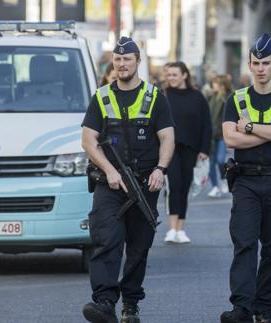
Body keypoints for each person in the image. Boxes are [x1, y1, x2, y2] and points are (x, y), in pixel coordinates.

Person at [81, 36, 175, 323]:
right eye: (118, 59)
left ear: (137, 62)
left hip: (145, 183)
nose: (122, 64)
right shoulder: (102, 97)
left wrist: (161, 169)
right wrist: (109, 170)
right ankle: (105, 302)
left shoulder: (155, 96)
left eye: (127, 59)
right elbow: (88, 141)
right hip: (109, 183)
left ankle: (130, 304)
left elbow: (167, 137)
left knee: (138, 246)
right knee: (106, 240)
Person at [220, 33, 271, 323]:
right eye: (255, 63)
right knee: (244, 243)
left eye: (266, 63)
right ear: (249, 65)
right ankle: (241, 308)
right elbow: (231, 139)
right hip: (245, 182)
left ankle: (264, 309)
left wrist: (251, 128)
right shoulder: (236, 98)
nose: (260, 68)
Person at [163, 61, 212, 244]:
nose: (171, 78)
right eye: (168, 75)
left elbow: (207, 125)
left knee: (184, 187)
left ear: (184, 75)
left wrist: (204, 150)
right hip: (169, 149)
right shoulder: (163, 96)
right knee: (173, 185)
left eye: (175, 74)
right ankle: (171, 228)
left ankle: (181, 229)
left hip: (191, 148)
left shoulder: (197, 97)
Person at [208, 74, 232, 198]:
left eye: (216, 83)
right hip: (211, 135)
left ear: (221, 85)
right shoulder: (212, 97)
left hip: (222, 134)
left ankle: (224, 179)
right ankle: (215, 187)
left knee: (220, 160)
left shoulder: (227, 98)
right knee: (211, 163)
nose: (213, 85)